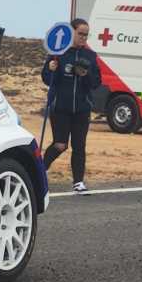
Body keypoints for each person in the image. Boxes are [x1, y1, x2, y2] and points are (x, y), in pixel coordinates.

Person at [41, 18, 100, 193]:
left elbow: (96, 83)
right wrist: (50, 68)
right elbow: (47, 79)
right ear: (71, 32)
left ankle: (78, 182)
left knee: (79, 146)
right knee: (60, 144)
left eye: (86, 35)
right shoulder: (59, 54)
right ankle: (40, 170)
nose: (83, 38)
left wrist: (85, 74)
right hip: (60, 107)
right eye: (80, 34)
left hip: (82, 108)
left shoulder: (90, 56)